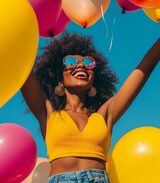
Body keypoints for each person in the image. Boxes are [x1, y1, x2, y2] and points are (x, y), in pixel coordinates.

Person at [21, 32, 160, 183]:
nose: (81, 65)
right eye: (71, 62)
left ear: (93, 79)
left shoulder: (105, 114)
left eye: (88, 63)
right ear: (59, 80)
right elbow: (22, 68)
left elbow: (146, 66)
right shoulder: (47, 113)